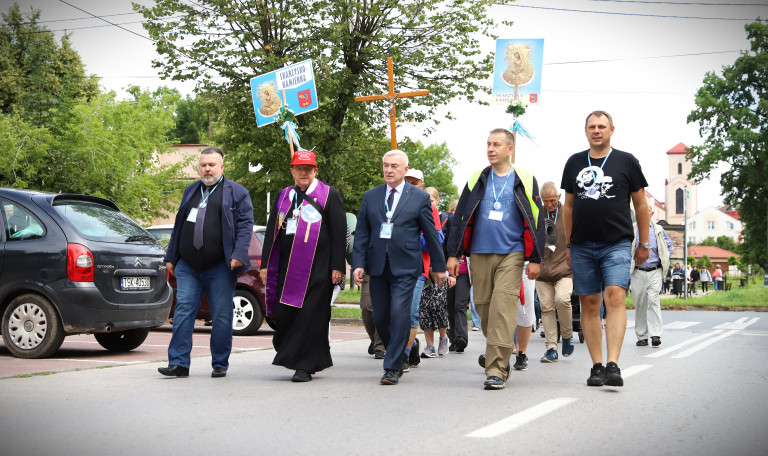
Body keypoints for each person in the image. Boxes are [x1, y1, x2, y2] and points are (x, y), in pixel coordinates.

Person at [445, 128, 545, 390]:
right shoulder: (476, 178)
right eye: (488, 144)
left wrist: (536, 257)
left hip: (512, 254)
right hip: (478, 253)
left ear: (509, 149)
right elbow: (460, 218)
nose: (490, 149)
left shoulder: (525, 178)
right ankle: (498, 352)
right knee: (484, 307)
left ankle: (496, 369)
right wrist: (453, 254)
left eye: (496, 144)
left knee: (503, 307)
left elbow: (537, 221)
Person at [561, 111, 650, 388]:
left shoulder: (626, 161)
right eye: (592, 127)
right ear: (585, 131)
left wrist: (643, 242)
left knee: (614, 297)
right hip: (583, 245)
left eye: (602, 126)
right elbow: (569, 206)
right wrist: (568, 244)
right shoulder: (575, 162)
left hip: (617, 243)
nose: (596, 131)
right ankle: (597, 366)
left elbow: (641, 204)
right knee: (589, 304)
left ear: (612, 129)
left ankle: (613, 364)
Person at [352, 150, 447, 385]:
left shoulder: (419, 198)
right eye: (385, 165)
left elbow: (431, 235)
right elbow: (362, 233)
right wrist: (358, 264)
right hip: (378, 265)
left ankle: (392, 366)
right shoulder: (371, 196)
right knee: (381, 316)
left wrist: (439, 266)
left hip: (406, 266)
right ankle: (409, 343)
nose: (388, 170)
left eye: (394, 166)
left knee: (398, 312)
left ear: (405, 170)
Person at [159, 147, 254, 378]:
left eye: (212, 164)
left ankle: (220, 363)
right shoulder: (191, 190)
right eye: (203, 165)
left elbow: (245, 226)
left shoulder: (237, 192)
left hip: (220, 266)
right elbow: (179, 226)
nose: (207, 169)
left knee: (221, 315)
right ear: (199, 167)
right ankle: (179, 364)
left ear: (222, 166)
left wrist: (238, 254)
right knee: (183, 311)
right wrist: (171, 257)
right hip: (188, 266)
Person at [260, 150, 346, 382]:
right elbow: (272, 232)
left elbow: (339, 233)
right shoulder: (284, 196)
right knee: (286, 314)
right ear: (292, 171)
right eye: (299, 169)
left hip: (319, 269)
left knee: (311, 316)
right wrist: (266, 264)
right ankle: (291, 355)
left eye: (308, 169)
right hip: (286, 268)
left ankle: (305, 366)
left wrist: (338, 266)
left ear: (315, 170)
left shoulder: (329, 195)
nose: (303, 173)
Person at [535, 182, 575, 363]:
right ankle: (551, 347)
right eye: (545, 201)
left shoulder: (568, 212)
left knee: (562, 299)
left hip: (564, 269)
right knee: (546, 307)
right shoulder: (537, 214)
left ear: (558, 197)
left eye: (552, 200)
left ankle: (567, 335)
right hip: (542, 270)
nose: (549, 204)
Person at [631, 207, 673, 348]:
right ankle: (642, 336)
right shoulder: (632, 229)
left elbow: (669, 245)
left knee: (653, 301)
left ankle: (655, 334)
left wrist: (665, 258)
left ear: (651, 214)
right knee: (640, 303)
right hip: (637, 271)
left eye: (645, 211)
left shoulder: (658, 229)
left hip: (655, 270)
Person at [418, 187, 450, 358]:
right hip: (421, 267)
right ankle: (430, 345)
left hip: (436, 266)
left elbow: (438, 240)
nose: (428, 203)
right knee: (423, 308)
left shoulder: (438, 214)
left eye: (431, 200)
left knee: (437, 306)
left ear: (436, 201)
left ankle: (443, 337)